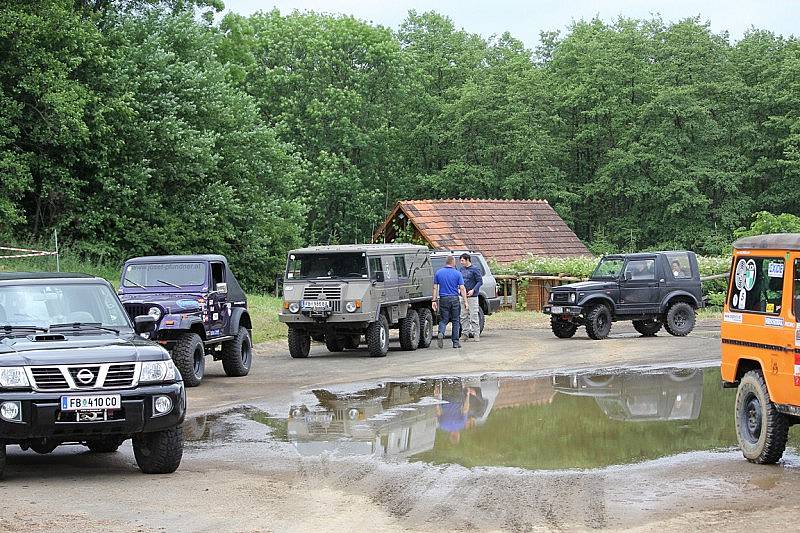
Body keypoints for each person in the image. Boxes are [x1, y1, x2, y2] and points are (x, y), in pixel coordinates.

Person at [432, 255, 469, 348]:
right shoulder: (457, 273)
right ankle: (455, 342)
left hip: (443, 298)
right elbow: (462, 288)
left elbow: (435, 287)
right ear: (453, 262)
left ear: (446, 262)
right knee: (455, 320)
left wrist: (434, 300)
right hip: (454, 298)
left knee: (443, 319)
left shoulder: (438, 273)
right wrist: (465, 301)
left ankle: (441, 332)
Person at [458, 253, 483, 341]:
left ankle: (476, 334)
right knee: (463, 315)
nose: (461, 262)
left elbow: (480, 281)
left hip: (472, 296)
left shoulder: (475, 269)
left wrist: (473, 290)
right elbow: (459, 281)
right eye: (461, 261)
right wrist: (459, 289)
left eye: (462, 260)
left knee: (473, 315)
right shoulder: (461, 269)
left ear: (467, 260)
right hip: (462, 295)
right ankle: (465, 333)